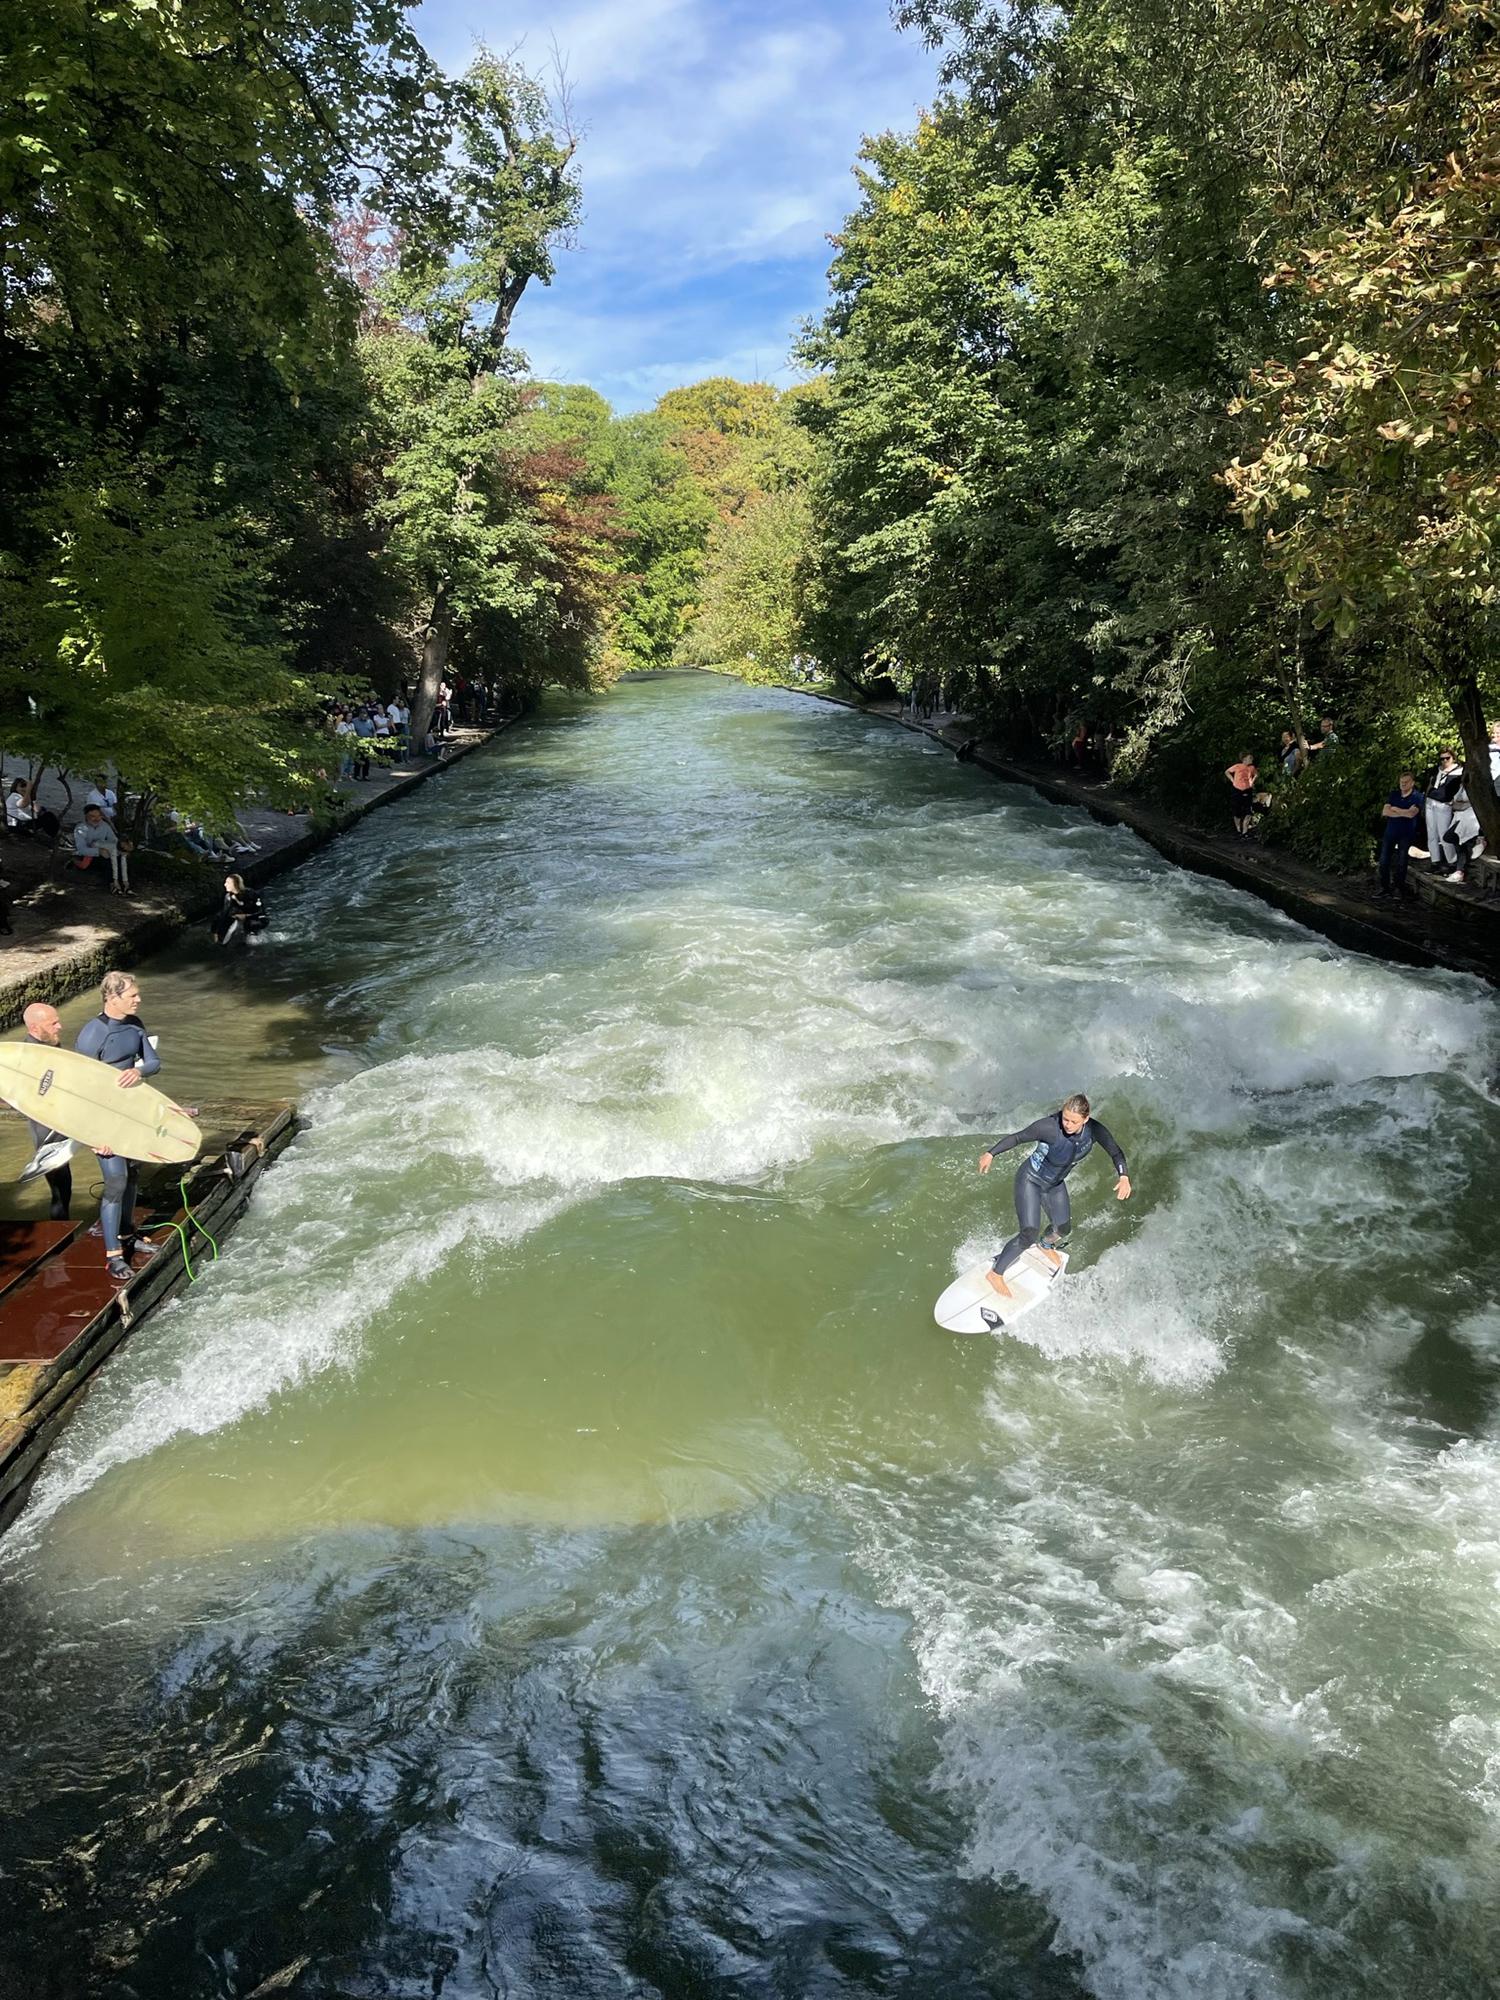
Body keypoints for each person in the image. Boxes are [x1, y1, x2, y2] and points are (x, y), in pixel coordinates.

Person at [978, 1094, 1131, 1299]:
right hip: (1031, 1180)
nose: (1067, 1124)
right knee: (1028, 1232)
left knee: (1063, 1228)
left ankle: (1046, 1245)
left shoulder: (1095, 1131)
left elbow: (1116, 1153)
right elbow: (1017, 1137)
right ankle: (995, 1274)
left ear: (1085, 1119)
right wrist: (991, 1153)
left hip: (1054, 1184)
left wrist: (1124, 1176)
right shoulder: (1049, 1127)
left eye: (1073, 1121)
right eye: (1065, 1119)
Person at [76, 971, 161, 1282]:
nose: (138, 999)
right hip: (102, 1119)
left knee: (133, 1174)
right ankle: (113, 1256)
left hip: (129, 1113)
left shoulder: (135, 1025)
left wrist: (139, 1073)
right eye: (132, 995)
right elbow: (78, 1089)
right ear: (112, 998)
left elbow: (153, 1062)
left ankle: (127, 1235)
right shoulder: (92, 1034)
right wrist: (92, 1135)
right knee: (115, 1181)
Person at [20, 1002, 73, 1221]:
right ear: (34, 1028)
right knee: (60, 1189)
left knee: (65, 1186)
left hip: (65, 1120)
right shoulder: (26, 1055)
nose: (59, 1026)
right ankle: (62, 1240)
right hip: (46, 1129)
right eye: (53, 1023)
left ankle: (64, 1228)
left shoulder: (51, 1043)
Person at [1377, 770, 1425, 898]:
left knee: (1402, 861)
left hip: (1406, 833)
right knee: (1384, 860)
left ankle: (1399, 888)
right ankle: (1384, 887)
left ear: (1412, 783)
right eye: (1401, 782)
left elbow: (1411, 814)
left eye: (1406, 782)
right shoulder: (1394, 794)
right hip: (1390, 831)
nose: (1403, 784)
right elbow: (1385, 811)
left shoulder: (1417, 796)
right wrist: (1401, 812)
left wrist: (1396, 809)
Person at [69, 803, 132, 893]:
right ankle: (112, 884)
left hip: (104, 852)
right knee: (107, 861)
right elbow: (81, 849)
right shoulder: (81, 828)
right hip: (87, 855)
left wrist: (123, 847)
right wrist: (98, 851)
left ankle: (124, 885)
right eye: (93, 816)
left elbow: (114, 840)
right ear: (86, 816)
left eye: (99, 816)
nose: (96, 819)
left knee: (120, 858)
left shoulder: (105, 826)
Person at [1425, 749, 1465, 871]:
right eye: (1442, 758)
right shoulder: (1438, 770)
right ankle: (1435, 861)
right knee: (1432, 833)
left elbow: (1458, 789)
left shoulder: (1459, 772)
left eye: (1447, 758)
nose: (1444, 761)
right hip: (1431, 802)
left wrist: (1453, 801)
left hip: (1444, 804)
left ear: (1453, 758)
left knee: (1444, 833)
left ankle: (1451, 861)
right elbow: (1430, 785)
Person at [211, 873, 268, 944]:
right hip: (239, 919)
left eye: (228, 883)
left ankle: (253, 938)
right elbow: (224, 914)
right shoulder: (228, 897)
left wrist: (246, 916)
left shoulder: (250, 894)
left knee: (250, 934)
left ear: (235, 884)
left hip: (255, 919)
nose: (225, 884)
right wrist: (216, 931)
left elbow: (261, 911)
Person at [6, 776, 61, 842]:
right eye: (22, 786)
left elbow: (37, 809)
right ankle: (55, 837)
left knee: (48, 815)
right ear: (15, 787)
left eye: (25, 786)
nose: (24, 788)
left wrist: (30, 797)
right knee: (48, 817)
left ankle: (55, 835)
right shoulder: (14, 796)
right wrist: (28, 791)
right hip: (18, 825)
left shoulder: (24, 797)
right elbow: (23, 804)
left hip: (23, 823)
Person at [1225, 751, 1259, 838]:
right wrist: (1233, 781)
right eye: (1249, 758)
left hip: (1247, 790)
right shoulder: (1237, 766)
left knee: (1248, 811)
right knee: (1237, 811)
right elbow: (1227, 772)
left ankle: (1245, 832)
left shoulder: (1252, 768)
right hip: (1237, 790)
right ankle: (1238, 830)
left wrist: (1252, 782)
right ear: (1244, 759)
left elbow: (1256, 775)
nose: (1251, 759)